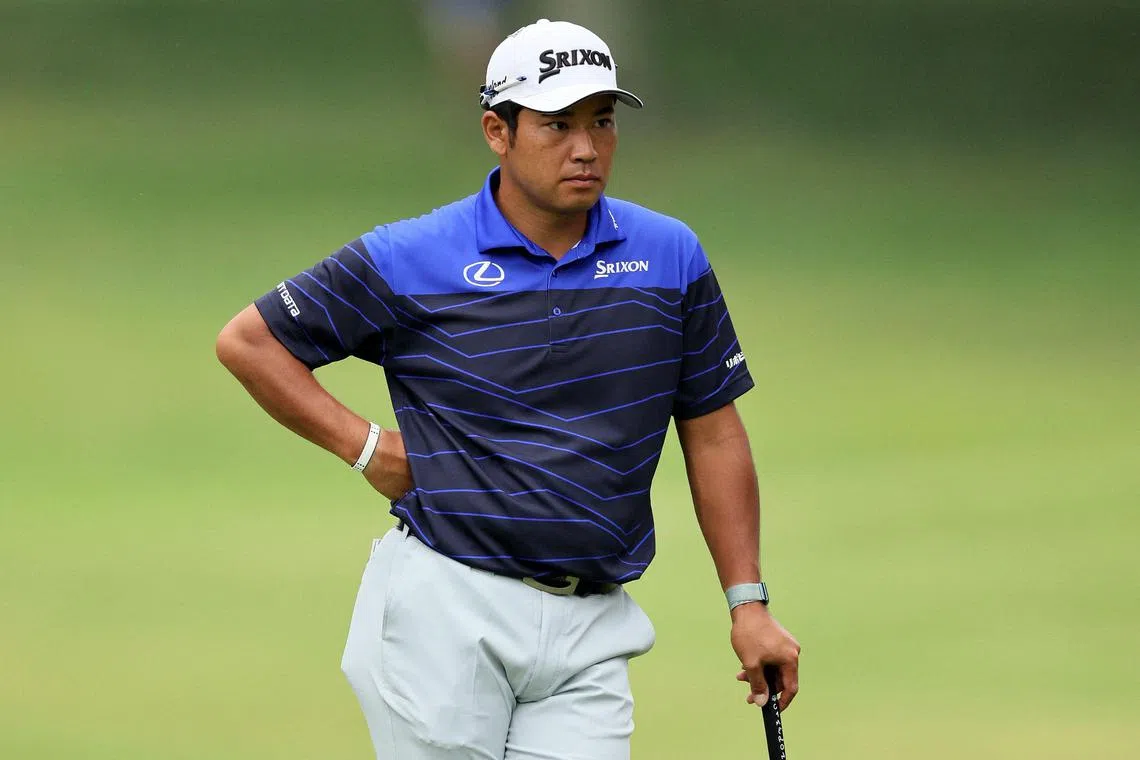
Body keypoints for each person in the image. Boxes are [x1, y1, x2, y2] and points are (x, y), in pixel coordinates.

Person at [216, 18, 801, 760]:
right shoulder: (415, 255)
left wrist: (747, 603)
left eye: (602, 122)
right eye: (557, 124)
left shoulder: (669, 258)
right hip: (444, 611)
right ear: (497, 130)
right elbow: (250, 342)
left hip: (593, 625)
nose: (586, 147)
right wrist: (366, 449)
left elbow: (713, 430)